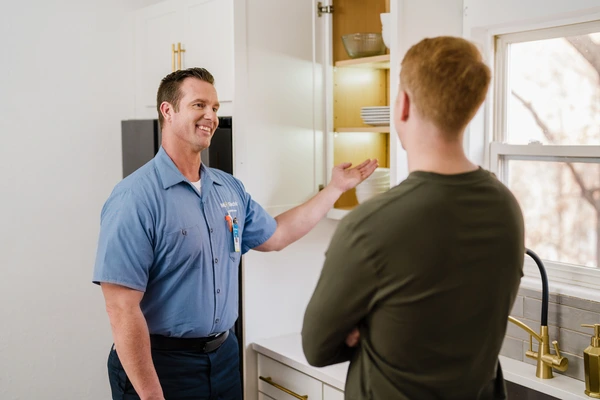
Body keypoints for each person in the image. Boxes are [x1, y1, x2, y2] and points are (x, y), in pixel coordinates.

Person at [93, 67, 378, 400]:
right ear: (167, 111)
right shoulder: (135, 197)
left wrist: (334, 189)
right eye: (199, 105)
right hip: (162, 365)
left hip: (224, 358)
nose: (211, 116)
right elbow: (121, 309)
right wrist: (152, 396)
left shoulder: (227, 188)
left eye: (215, 108)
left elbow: (278, 235)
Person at [301, 36, 525, 400]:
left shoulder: (371, 223)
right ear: (474, 105)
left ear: (402, 104)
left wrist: (364, 328)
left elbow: (316, 347)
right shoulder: (507, 208)